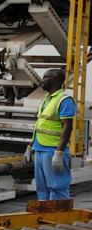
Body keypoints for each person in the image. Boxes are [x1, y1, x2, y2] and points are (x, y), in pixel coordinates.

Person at [24, 68, 75, 200]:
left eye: (45, 77)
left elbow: (67, 128)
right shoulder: (47, 99)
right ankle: (45, 217)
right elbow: (40, 125)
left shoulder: (65, 100)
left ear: (55, 79)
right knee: (42, 187)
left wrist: (59, 153)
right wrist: (31, 145)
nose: (42, 81)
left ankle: (60, 218)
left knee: (57, 186)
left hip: (53, 150)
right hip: (40, 148)